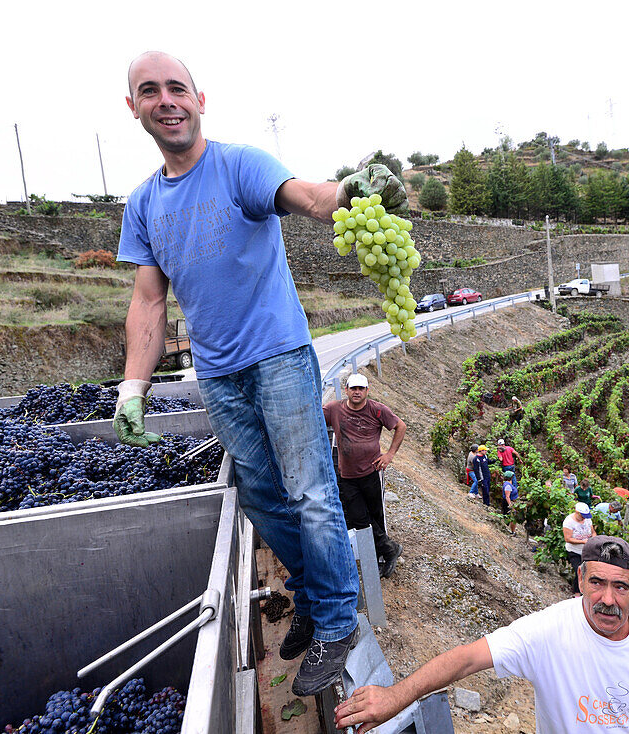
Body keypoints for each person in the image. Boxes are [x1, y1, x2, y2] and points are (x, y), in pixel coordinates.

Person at [111, 51, 407, 697]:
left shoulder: (239, 164)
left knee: (309, 492)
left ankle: (336, 622)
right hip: (218, 375)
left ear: (199, 98)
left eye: (176, 88)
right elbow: (149, 301)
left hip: (277, 355)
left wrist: (354, 188)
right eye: (149, 91)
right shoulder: (142, 205)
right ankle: (311, 596)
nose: (166, 100)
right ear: (133, 107)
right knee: (266, 500)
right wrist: (132, 387)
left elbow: (310, 197)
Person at [334, 535, 629, 733]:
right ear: (580, 581)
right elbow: (467, 658)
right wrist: (396, 696)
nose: (607, 600)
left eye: (620, 587)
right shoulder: (548, 631)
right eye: (596, 583)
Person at [323, 373, 406, 579]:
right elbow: (311, 418)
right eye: (353, 388)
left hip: (372, 473)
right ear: (347, 390)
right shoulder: (334, 408)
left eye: (361, 388)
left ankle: (382, 555)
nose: (357, 392)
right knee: (359, 519)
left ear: (367, 390)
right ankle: (389, 549)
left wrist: (390, 454)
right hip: (347, 475)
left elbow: (400, 426)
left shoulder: (377, 409)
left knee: (375, 515)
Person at [563, 502, 594, 595]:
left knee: (589, 571)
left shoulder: (588, 520)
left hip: (587, 550)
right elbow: (568, 539)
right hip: (574, 551)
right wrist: (583, 541)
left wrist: (593, 539)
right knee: (579, 571)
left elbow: (593, 532)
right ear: (577, 512)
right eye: (582, 516)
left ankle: (586, 592)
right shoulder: (569, 522)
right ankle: (577, 593)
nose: (584, 518)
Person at [502, 470, 519, 535]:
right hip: (508, 503)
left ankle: (512, 531)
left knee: (511, 517)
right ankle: (512, 531)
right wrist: (511, 506)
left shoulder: (508, 483)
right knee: (512, 517)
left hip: (510, 502)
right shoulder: (508, 486)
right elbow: (507, 497)